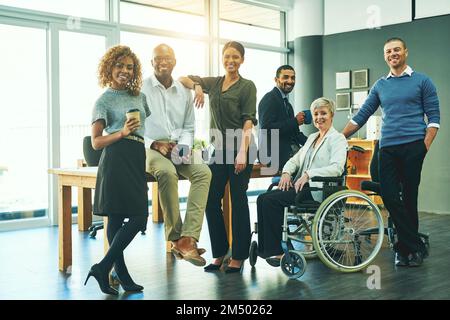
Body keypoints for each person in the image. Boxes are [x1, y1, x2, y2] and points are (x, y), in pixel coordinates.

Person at [342, 37, 440, 267]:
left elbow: (434, 118)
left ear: (405, 52)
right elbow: (361, 116)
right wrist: (337, 136)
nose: (392, 54)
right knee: (388, 194)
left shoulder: (422, 81)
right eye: (388, 51)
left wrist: (423, 147)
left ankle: (405, 250)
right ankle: (414, 245)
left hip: (413, 146)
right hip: (387, 148)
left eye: (397, 50)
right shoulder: (380, 85)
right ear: (385, 56)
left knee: (409, 197)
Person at [179, 41, 257, 273]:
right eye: (227, 57)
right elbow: (183, 78)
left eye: (235, 57)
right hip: (219, 149)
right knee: (211, 199)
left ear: (242, 60)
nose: (231, 61)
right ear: (222, 59)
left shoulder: (247, 86)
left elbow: (248, 121)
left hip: (242, 146)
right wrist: (198, 88)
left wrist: (243, 151)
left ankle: (239, 255)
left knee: (238, 198)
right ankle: (220, 252)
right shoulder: (215, 83)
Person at [85, 45, 151, 295]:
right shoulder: (103, 100)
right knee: (134, 216)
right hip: (115, 157)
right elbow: (96, 142)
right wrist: (122, 132)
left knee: (125, 217)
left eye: (129, 67)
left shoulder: (140, 96)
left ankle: (112, 272)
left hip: (136, 155)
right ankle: (109, 269)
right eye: (119, 66)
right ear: (109, 68)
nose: (124, 70)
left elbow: (144, 129)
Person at [142, 44, 211, 267]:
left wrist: (182, 147)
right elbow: (134, 128)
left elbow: (189, 127)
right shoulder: (141, 89)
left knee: (203, 172)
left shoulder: (184, 91)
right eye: (158, 58)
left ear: (174, 62)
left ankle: (188, 238)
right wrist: (155, 143)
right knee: (166, 172)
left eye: (168, 58)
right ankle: (174, 237)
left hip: (177, 145)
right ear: (151, 62)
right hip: (149, 147)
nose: (163, 61)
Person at [256, 97, 347, 266]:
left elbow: (337, 168)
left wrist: (309, 174)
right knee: (263, 198)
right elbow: (295, 160)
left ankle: (278, 250)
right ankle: (266, 249)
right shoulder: (313, 137)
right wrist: (286, 173)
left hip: (318, 189)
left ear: (331, 115)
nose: (319, 117)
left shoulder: (337, 139)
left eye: (323, 113)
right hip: (302, 187)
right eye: (316, 114)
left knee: (270, 201)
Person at [258, 65, 310, 173]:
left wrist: (314, 142)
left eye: (293, 78)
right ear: (276, 80)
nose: (290, 81)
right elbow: (266, 129)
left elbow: (295, 133)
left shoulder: (287, 104)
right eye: (285, 77)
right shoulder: (269, 99)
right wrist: (295, 121)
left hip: (288, 151)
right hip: (274, 155)